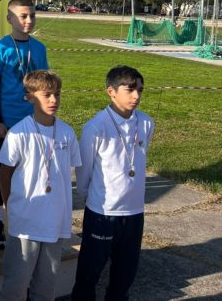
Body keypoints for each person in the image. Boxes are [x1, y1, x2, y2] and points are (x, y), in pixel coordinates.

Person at [71, 66, 155, 301]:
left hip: (134, 212)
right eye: (130, 90)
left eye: (140, 90)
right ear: (111, 91)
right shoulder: (96, 127)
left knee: (124, 275)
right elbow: (84, 171)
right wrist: (91, 199)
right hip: (103, 212)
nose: (136, 96)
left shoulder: (146, 123)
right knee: (89, 274)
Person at [0, 70, 80, 301]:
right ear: (30, 97)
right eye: (47, 95)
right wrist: (10, 206)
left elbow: (68, 172)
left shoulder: (67, 133)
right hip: (25, 222)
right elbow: (4, 174)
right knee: (15, 285)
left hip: (55, 223)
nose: (54, 100)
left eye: (57, 94)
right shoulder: (18, 133)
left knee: (46, 287)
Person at [0, 0, 49, 248]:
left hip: (32, 122)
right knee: (1, 171)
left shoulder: (39, 48)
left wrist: (44, 117)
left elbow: (44, 87)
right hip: (7, 123)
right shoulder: (1, 48)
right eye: (23, 16)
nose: (29, 20)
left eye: (32, 15)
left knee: (30, 171)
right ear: (9, 18)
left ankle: (26, 218)